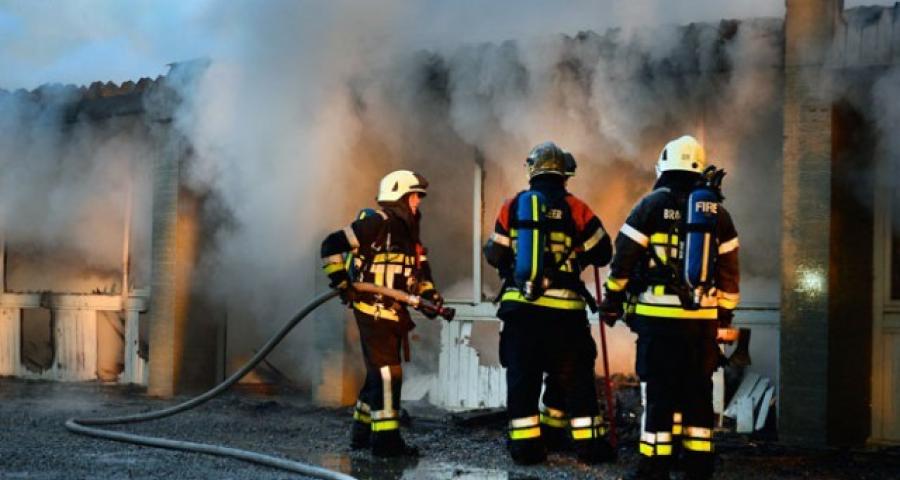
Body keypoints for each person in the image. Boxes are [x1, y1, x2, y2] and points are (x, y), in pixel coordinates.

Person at [600, 135, 740, 480]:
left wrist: (613, 300)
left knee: (659, 395)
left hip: (658, 323)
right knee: (697, 394)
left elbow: (623, 260)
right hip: (701, 326)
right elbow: (730, 276)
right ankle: (697, 465)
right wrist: (722, 317)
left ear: (664, 164)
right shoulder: (717, 214)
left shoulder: (649, 206)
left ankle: (655, 466)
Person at [483, 142, 616, 465]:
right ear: (563, 173)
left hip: (521, 313)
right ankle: (590, 448)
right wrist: (577, 257)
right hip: (565, 317)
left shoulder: (512, 205)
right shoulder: (577, 208)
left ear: (532, 170)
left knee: (522, 381)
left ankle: (526, 449)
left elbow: (494, 253)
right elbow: (604, 252)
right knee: (577, 381)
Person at [320, 169, 444, 457]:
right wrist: (341, 281)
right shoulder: (376, 223)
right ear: (399, 196)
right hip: (372, 310)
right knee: (389, 374)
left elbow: (420, 273)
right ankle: (387, 444)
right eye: (414, 197)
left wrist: (430, 296)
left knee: (377, 375)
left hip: (395, 313)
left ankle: (361, 434)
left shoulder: (411, 235)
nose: (418, 204)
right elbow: (330, 245)